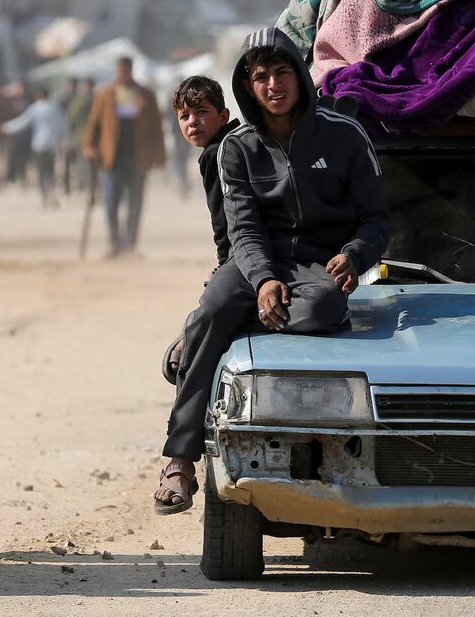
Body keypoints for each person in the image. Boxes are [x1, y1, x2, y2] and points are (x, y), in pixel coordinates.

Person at [154, 27, 389, 514]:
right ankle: (179, 459)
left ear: (300, 76)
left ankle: (200, 339)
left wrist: (356, 254)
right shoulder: (235, 147)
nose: (272, 85)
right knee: (215, 305)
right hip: (253, 259)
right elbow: (242, 227)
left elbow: (376, 219)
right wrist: (262, 280)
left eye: (281, 72)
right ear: (248, 85)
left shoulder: (344, 135)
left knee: (323, 306)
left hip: (317, 264)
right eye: (260, 77)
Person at [160, 74, 241, 383]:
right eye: (185, 116)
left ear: (223, 116)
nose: (193, 122)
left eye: (201, 112)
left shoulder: (216, 154)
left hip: (243, 253)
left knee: (213, 305)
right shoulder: (228, 143)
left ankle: (186, 348)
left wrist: (225, 265)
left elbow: (225, 221)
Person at [83, 57, 167, 256]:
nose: (123, 75)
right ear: (116, 71)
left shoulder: (146, 95)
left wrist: (160, 157)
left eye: (126, 71)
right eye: (120, 71)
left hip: (138, 158)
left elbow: (156, 128)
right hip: (112, 158)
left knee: (135, 204)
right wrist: (89, 146)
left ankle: (130, 245)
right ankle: (115, 243)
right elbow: (94, 124)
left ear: (131, 71)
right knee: (111, 203)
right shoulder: (105, 95)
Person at [3, 86, 69, 208]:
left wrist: (6, 127)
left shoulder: (35, 108)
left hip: (38, 145)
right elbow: (63, 126)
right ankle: (52, 196)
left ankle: (44, 198)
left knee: (42, 172)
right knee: (50, 172)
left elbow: (21, 123)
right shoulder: (56, 109)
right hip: (51, 145)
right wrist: (66, 142)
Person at [61, 78, 93, 195]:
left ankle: (85, 187)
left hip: (81, 138)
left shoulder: (79, 102)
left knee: (83, 165)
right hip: (82, 139)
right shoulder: (70, 100)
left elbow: (69, 121)